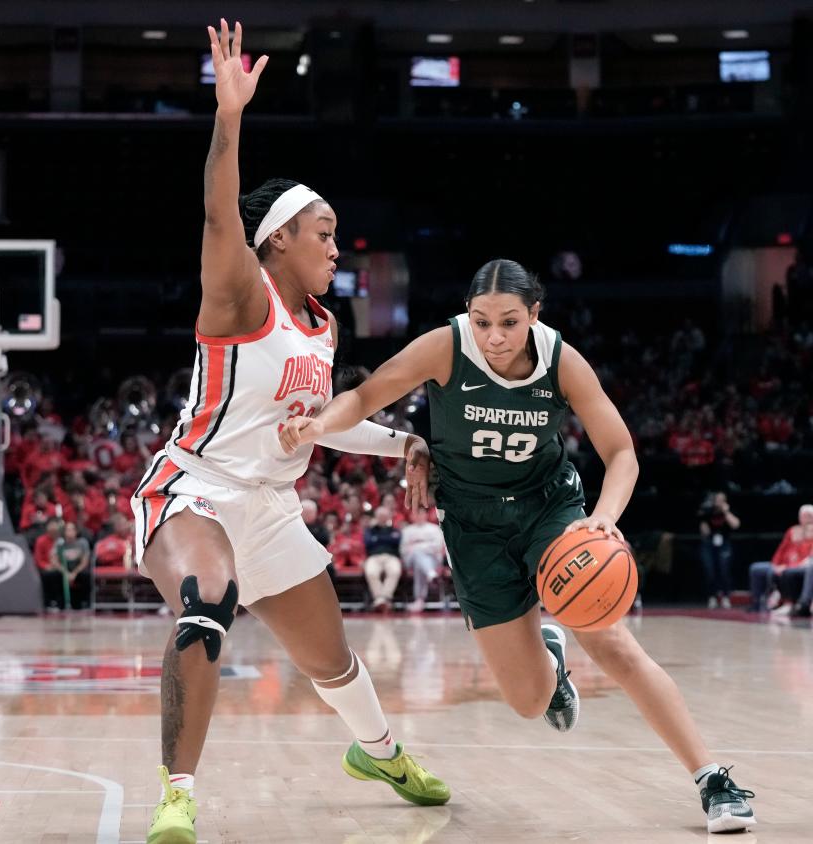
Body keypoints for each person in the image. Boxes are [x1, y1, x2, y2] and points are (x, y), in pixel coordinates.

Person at [280, 258, 756, 834]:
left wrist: (602, 520)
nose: (494, 336)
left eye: (509, 322)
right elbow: (364, 398)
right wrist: (317, 426)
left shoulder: (561, 360)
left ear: (534, 314)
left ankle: (712, 779)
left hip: (548, 510)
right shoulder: (444, 347)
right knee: (529, 702)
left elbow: (621, 452)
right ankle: (550, 663)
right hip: (472, 527)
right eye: (481, 322)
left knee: (613, 645)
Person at [134, 20, 449, 844]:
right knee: (206, 607)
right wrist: (228, 118)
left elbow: (326, 426)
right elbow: (215, 216)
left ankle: (379, 752)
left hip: (271, 505)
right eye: (325, 234)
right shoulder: (242, 293)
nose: (338, 248)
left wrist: (405, 442)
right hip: (194, 490)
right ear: (276, 238)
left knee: (333, 660)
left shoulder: (323, 329)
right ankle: (178, 793)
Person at [746, 503, 813, 612]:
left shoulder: (811, 533)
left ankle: (787, 602)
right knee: (756, 568)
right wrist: (775, 564)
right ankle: (756, 604)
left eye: (808, 516)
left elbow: (808, 558)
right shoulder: (792, 531)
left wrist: (787, 566)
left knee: (784, 573)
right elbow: (781, 549)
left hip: (797, 566)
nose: (805, 519)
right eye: (803, 516)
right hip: (782, 564)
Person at [400, 507, 447, 613]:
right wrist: (425, 546)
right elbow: (404, 550)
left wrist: (417, 546)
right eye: (417, 514)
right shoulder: (407, 531)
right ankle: (431, 575)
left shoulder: (435, 529)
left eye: (421, 514)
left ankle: (419, 600)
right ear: (412, 516)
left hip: (432, 560)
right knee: (417, 555)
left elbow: (437, 547)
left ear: (426, 515)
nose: (419, 516)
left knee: (419, 561)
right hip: (410, 560)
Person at [698, 491, 740, 609]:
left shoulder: (728, 511)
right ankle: (712, 596)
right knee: (709, 569)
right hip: (709, 543)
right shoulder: (708, 511)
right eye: (717, 500)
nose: (719, 502)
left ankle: (726, 596)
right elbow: (704, 531)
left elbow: (736, 525)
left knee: (724, 569)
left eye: (722, 500)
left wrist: (725, 511)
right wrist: (704, 522)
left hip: (724, 544)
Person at [363, 506, 403, 612]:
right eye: (380, 516)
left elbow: (397, 541)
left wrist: (377, 539)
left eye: (384, 516)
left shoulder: (395, 530)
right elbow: (368, 543)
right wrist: (388, 539)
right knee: (371, 572)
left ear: (389, 517)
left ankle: (381, 599)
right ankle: (383, 600)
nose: (382, 518)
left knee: (395, 571)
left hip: (391, 557)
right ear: (376, 517)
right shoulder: (369, 530)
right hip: (373, 557)